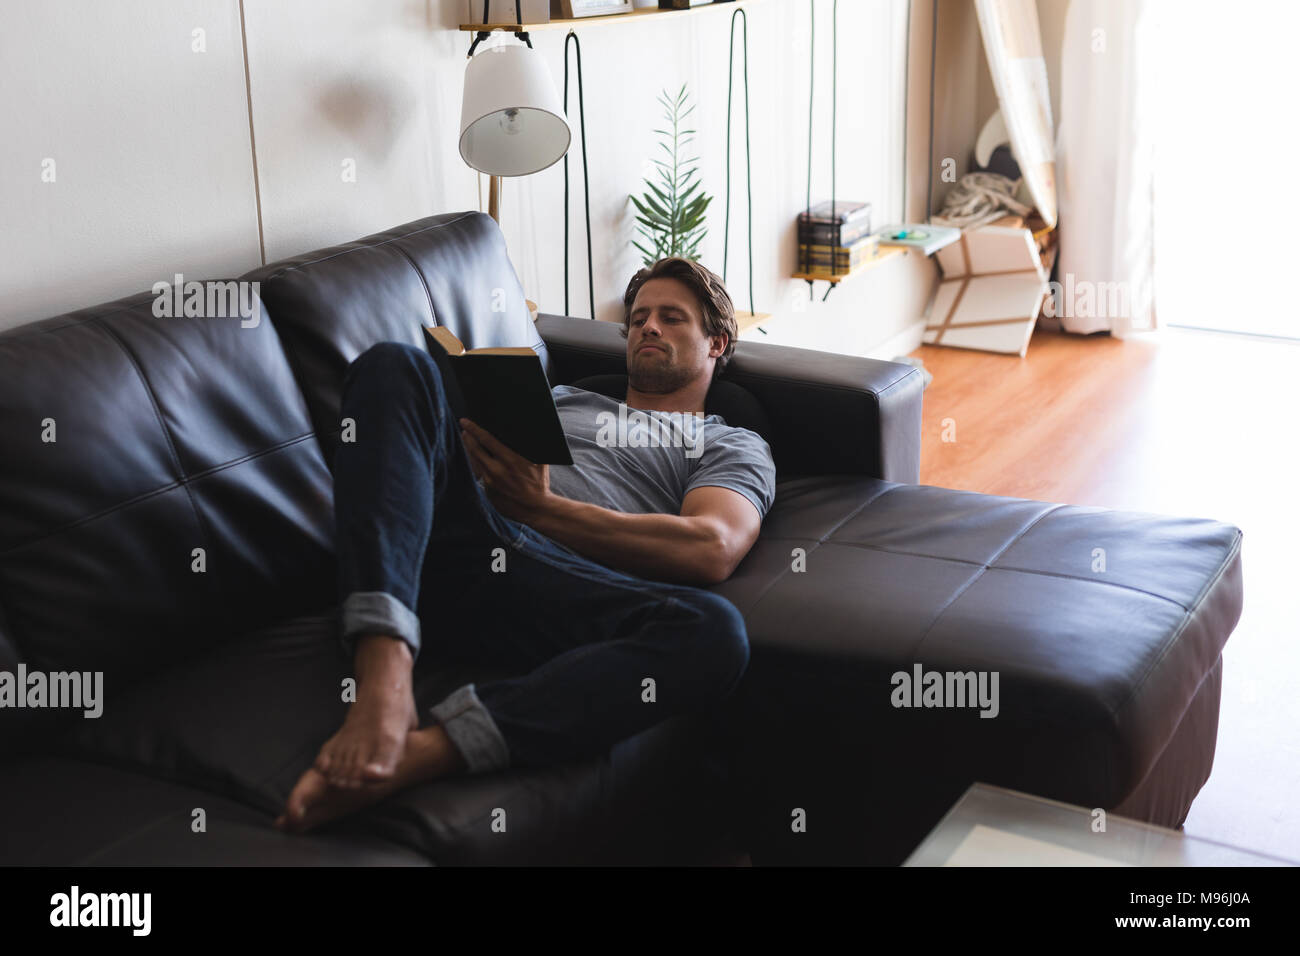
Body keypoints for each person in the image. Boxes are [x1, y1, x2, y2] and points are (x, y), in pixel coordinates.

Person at [275, 257, 776, 832]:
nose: (649, 328)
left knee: (714, 632)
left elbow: (711, 547)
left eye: (671, 318)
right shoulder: (560, 398)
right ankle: (383, 676)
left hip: (551, 582)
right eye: (638, 318)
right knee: (394, 364)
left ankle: (429, 751)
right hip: (444, 541)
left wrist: (543, 510)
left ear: (717, 342)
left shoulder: (726, 441)